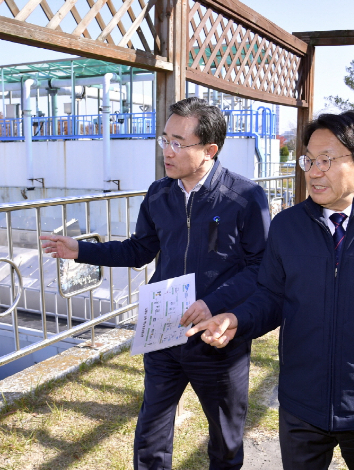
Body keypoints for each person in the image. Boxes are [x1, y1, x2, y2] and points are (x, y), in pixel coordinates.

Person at [187, 111, 354, 470]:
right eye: (309, 160)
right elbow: (271, 296)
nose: (313, 171)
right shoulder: (287, 226)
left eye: (327, 161)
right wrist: (237, 319)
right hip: (302, 403)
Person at [41, 97, 271, 470]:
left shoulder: (245, 198)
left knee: (225, 439)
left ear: (210, 149)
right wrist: (81, 250)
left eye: (178, 143)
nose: (167, 151)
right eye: (164, 139)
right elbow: (138, 251)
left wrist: (214, 304)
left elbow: (261, 267)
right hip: (163, 327)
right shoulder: (159, 193)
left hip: (216, 335)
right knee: (151, 433)